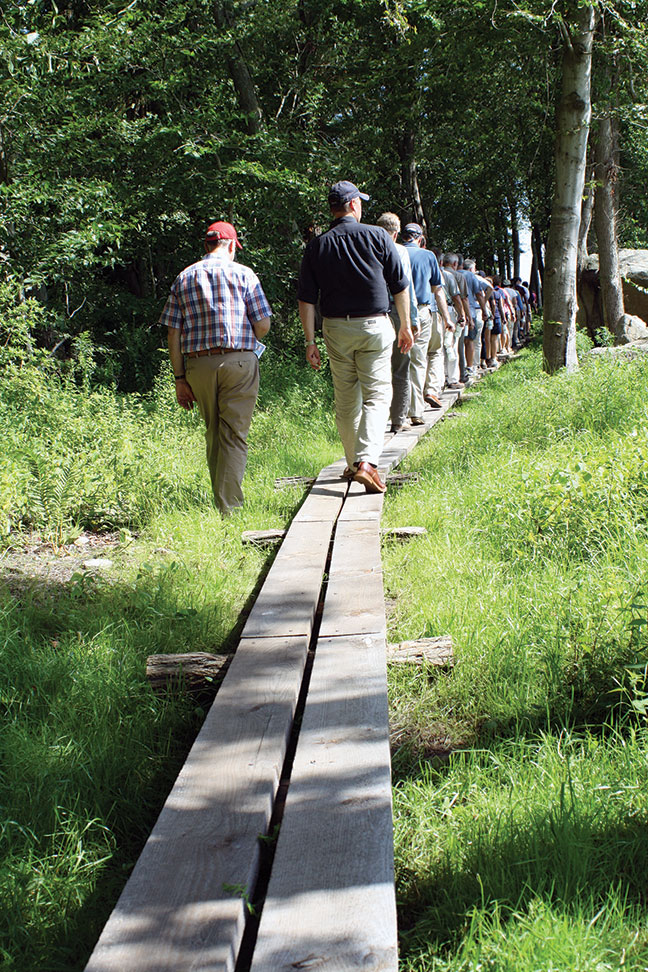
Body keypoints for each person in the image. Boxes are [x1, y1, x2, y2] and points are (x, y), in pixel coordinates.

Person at [298, 181, 414, 494]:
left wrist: (310, 341)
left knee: (347, 399)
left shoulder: (318, 245)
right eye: (359, 201)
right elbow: (400, 285)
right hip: (374, 327)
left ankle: (353, 465)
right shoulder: (378, 235)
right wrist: (405, 325)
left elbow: (307, 299)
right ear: (353, 205)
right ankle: (367, 463)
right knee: (377, 396)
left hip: (335, 329)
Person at [161, 220, 272, 515]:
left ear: (206, 246)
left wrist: (179, 378)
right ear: (232, 245)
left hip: (198, 366)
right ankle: (230, 509)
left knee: (213, 432)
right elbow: (262, 326)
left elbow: (173, 333)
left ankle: (221, 501)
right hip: (239, 361)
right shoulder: (245, 274)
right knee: (234, 434)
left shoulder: (183, 278)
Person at [402, 224, 453, 420]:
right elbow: (437, 290)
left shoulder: (393, 251)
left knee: (396, 362)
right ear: (420, 239)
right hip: (421, 311)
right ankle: (415, 411)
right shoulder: (428, 256)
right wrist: (447, 317)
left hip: (393, 311)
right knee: (417, 360)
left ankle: (396, 412)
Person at [375, 212, 419, 433]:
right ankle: (398, 419)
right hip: (396, 311)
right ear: (396, 233)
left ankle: (378, 420)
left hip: (374, 312)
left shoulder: (368, 247)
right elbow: (405, 287)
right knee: (401, 366)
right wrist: (412, 320)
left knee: (378, 368)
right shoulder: (399, 250)